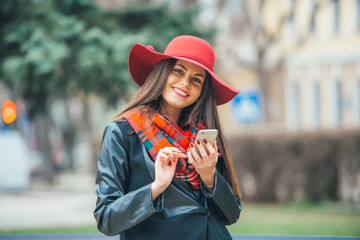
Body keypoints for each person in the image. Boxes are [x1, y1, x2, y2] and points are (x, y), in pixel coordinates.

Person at [94, 35, 242, 240]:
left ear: (202, 91)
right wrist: (156, 187)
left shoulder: (204, 139)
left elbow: (232, 214)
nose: (185, 83)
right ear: (162, 73)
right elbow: (107, 219)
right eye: (178, 71)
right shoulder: (121, 133)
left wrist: (209, 176)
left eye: (196, 80)